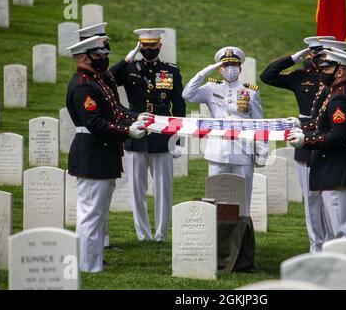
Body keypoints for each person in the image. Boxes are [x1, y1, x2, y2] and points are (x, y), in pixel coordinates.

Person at [259, 36, 346, 253]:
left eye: (320, 54)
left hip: (327, 138)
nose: (315, 58)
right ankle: (316, 246)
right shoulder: (301, 76)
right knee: (310, 199)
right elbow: (267, 76)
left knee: (329, 197)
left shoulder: (337, 81)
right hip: (305, 137)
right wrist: (292, 58)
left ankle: (332, 244)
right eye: (312, 53)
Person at [65, 36, 146, 272]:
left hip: (103, 153)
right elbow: (96, 123)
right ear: (84, 57)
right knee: (90, 212)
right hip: (92, 153)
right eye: (98, 55)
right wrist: (127, 130)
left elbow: (114, 109)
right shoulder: (83, 86)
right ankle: (87, 264)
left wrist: (135, 117)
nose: (103, 58)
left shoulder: (96, 81)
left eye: (103, 54)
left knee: (98, 213)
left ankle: (94, 258)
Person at [110, 29, 186, 242]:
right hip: (136, 131)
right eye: (145, 47)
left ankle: (161, 234)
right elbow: (107, 79)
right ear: (139, 46)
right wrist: (126, 59)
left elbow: (179, 107)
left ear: (160, 46)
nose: (149, 50)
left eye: (153, 47)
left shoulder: (171, 70)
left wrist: (178, 139)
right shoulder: (130, 68)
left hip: (162, 134)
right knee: (137, 187)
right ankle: (143, 235)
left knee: (163, 188)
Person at [287, 49, 346, 241]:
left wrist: (306, 140)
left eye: (328, 68)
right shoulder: (339, 91)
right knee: (333, 229)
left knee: (341, 231)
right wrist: (302, 126)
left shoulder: (342, 97)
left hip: (338, 168)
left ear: (339, 71)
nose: (324, 72)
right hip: (332, 167)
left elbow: (337, 135)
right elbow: (324, 122)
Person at [182, 46, 268, 216]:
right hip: (217, 151)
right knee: (216, 197)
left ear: (240, 68)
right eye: (226, 66)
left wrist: (262, 150)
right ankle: (215, 235)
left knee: (243, 197)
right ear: (219, 69)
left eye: (234, 66)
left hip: (243, 151)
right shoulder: (210, 88)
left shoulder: (250, 91)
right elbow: (187, 95)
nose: (230, 70)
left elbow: (259, 123)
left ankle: (243, 235)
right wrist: (204, 72)